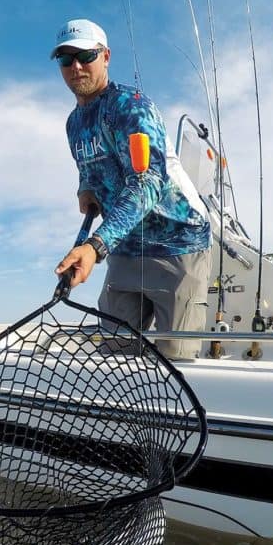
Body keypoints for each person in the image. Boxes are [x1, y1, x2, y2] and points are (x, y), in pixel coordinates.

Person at [52, 19, 212, 359]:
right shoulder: (73, 123)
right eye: (66, 59)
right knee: (116, 357)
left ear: (106, 57)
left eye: (86, 55)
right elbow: (90, 167)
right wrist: (86, 188)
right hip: (125, 246)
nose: (76, 66)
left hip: (177, 242)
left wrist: (95, 246)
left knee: (176, 361)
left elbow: (147, 182)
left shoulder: (131, 106)